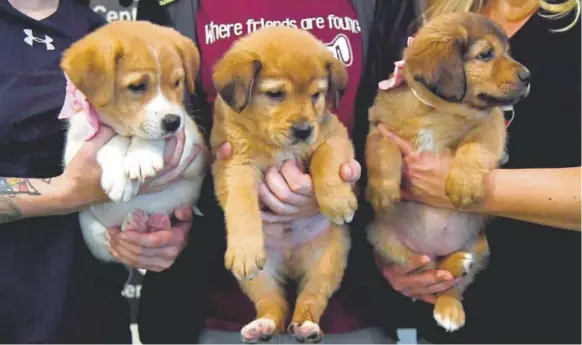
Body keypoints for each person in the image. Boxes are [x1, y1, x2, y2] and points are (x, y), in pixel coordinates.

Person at [135, 0, 421, 343]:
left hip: (354, 309)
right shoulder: (174, 7)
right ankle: (269, 310)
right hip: (211, 307)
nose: (301, 118)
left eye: (315, 95)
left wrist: (341, 186)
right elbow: (154, 123)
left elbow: (393, 121)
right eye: (275, 94)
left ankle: (307, 310)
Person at [360, 0, 581, 343]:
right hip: (413, 324)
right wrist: (390, 264)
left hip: (551, 313)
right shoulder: (419, 13)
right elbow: (371, 133)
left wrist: (460, 187)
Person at [0, 0, 196, 342]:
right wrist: (63, 194)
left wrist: (166, 232)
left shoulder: (102, 32)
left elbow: (165, 135)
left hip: (90, 313)